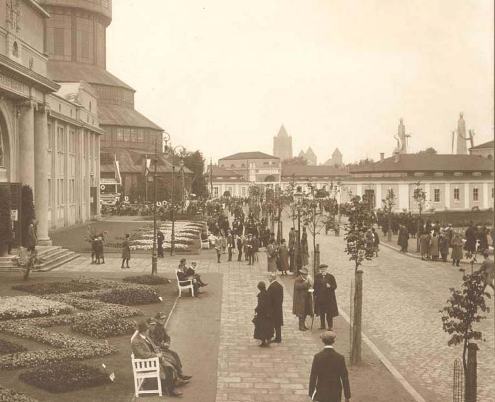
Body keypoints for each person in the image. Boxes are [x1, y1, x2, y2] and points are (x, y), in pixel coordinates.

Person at [131, 320, 182, 397]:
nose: (149, 330)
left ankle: (169, 387)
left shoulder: (145, 337)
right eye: (147, 329)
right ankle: (170, 389)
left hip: (151, 359)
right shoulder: (136, 341)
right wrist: (156, 355)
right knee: (167, 367)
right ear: (144, 331)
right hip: (146, 362)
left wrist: (158, 351)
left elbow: (153, 346)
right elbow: (143, 354)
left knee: (168, 365)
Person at [147, 313, 192, 382]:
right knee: (170, 359)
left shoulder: (161, 327)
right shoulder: (152, 331)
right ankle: (177, 378)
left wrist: (167, 343)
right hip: (158, 350)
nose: (163, 320)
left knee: (174, 354)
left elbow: (167, 337)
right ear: (157, 320)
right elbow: (154, 342)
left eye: (163, 318)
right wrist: (162, 345)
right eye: (161, 319)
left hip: (162, 348)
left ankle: (180, 373)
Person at [309, 331, 351, 402]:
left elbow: (313, 376)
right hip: (336, 391)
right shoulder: (340, 358)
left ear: (322, 341)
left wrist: (311, 394)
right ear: (333, 341)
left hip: (322, 390)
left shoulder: (318, 357)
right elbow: (344, 377)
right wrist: (347, 396)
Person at [314, 264, 339, 331]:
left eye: (324, 269)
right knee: (321, 312)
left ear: (326, 269)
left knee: (329, 313)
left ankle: (330, 326)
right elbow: (315, 286)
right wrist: (314, 294)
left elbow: (335, 286)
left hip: (329, 299)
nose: (323, 270)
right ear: (320, 270)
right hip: (320, 298)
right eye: (322, 269)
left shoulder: (331, 277)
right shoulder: (317, 276)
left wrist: (330, 286)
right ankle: (322, 326)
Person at [253, 281, 273, 347]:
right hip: (268, 314)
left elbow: (261, 305)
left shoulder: (261, 295)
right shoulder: (267, 293)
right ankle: (268, 339)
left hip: (262, 315)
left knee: (262, 328)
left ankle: (263, 341)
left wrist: (256, 309)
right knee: (268, 327)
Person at [267, 273, 283, 343]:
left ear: (272, 278)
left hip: (273, 309)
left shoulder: (271, 287)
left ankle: (272, 337)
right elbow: (281, 298)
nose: (268, 278)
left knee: (272, 323)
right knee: (278, 323)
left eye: (269, 277)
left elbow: (269, 299)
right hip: (278, 307)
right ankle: (278, 337)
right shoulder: (280, 286)